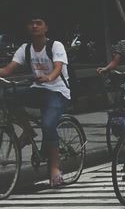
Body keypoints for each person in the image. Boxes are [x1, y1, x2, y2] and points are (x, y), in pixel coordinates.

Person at [0, 17, 71, 187]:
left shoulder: (55, 46)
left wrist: (48, 77)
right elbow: (7, 70)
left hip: (58, 91)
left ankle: (55, 168)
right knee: (7, 96)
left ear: (46, 27)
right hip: (38, 90)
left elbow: (58, 68)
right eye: (31, 23)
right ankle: (29, 131)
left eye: (39, 23)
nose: (34, 26)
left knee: (48, 125)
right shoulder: (25, 49)